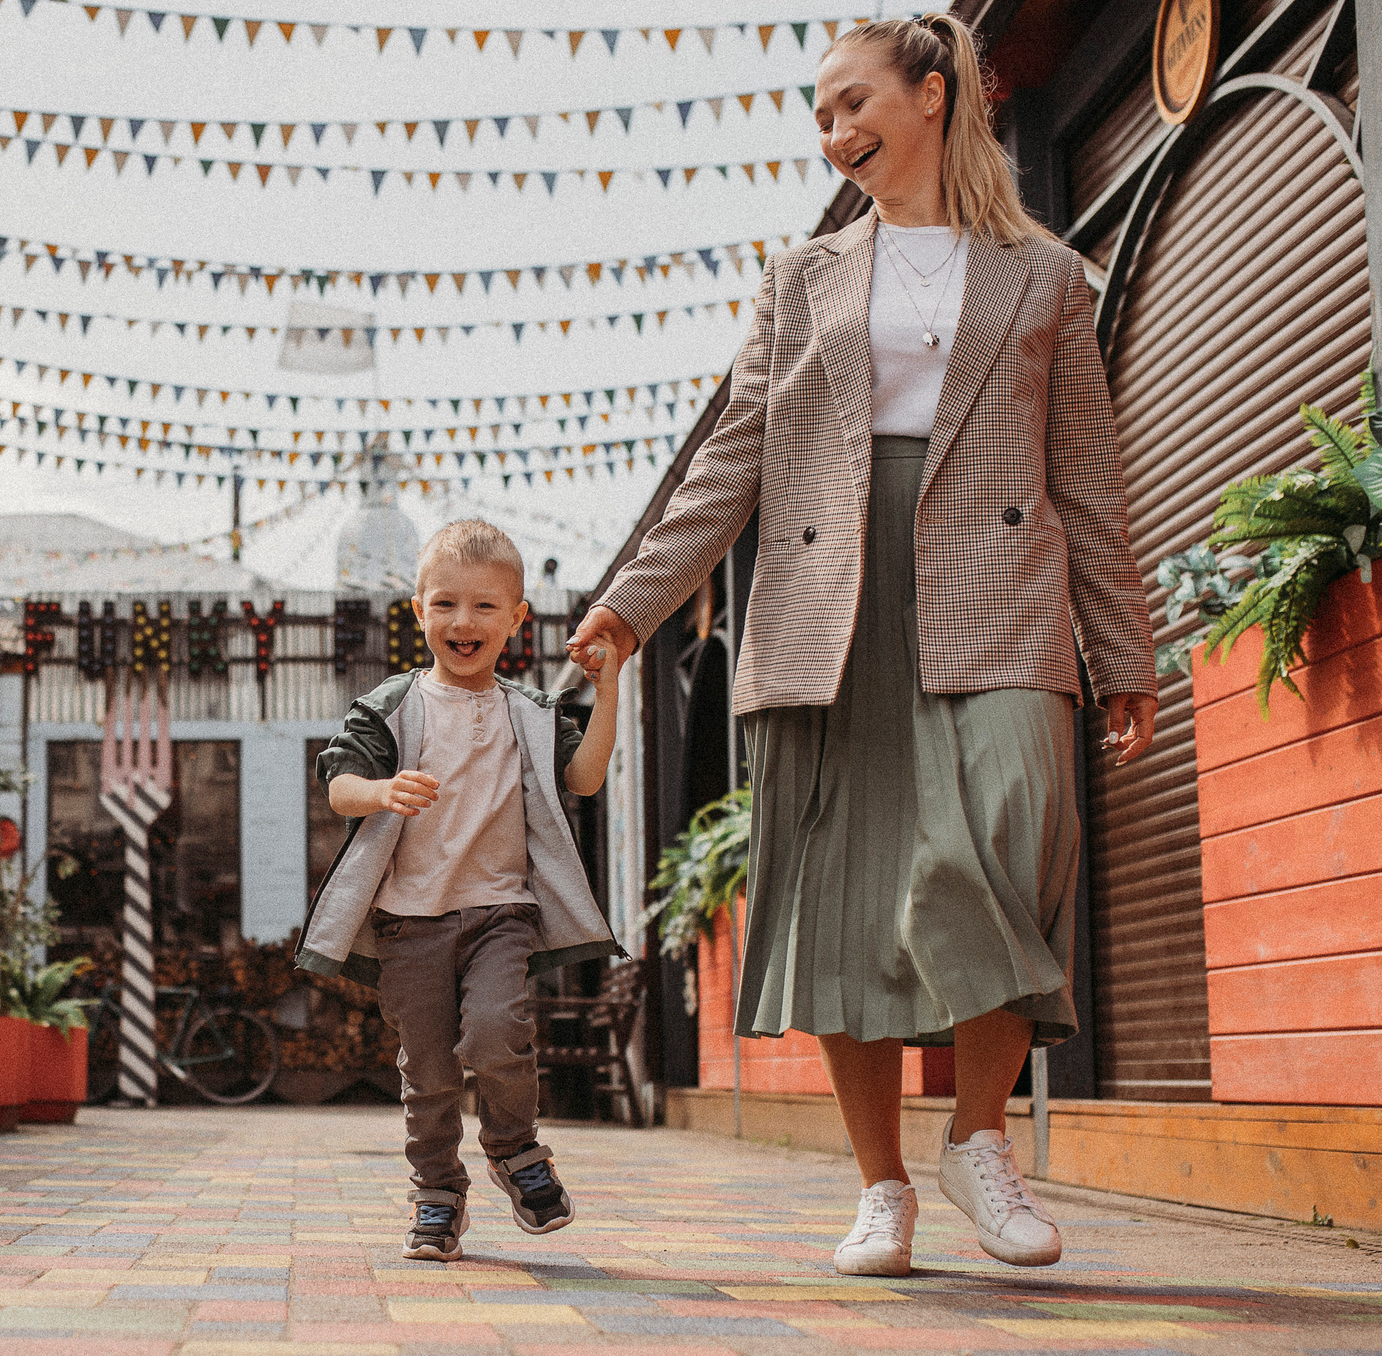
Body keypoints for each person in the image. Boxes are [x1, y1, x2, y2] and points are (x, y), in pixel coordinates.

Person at [564, 14, 1159, 1277]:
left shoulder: (1047, 277)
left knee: (1005, 830)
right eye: (818, 114)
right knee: (841, 890)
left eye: (851, 104)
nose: (833, 133)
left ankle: (979, 1141)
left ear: (932, 95)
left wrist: (1123, 654)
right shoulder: (801, 279)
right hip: (824, 604)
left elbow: (1090, 485)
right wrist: (633, 602)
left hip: (993, 587)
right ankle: (879, 1187)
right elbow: (733, 460)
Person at [299, 519, 624, 1261]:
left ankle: (516, 1151)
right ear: (418, 611)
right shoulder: (393, 705)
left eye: (484, 607)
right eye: (445, 604)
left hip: (500, 912)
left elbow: (585, 777)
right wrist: (380, 790)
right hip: (409, 923)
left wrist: (607, 691)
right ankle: (438, 1195)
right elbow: (338, 785)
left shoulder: (531, 713)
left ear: (516, 619)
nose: (463, 622)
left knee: (496, 1031)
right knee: (431, 1071)